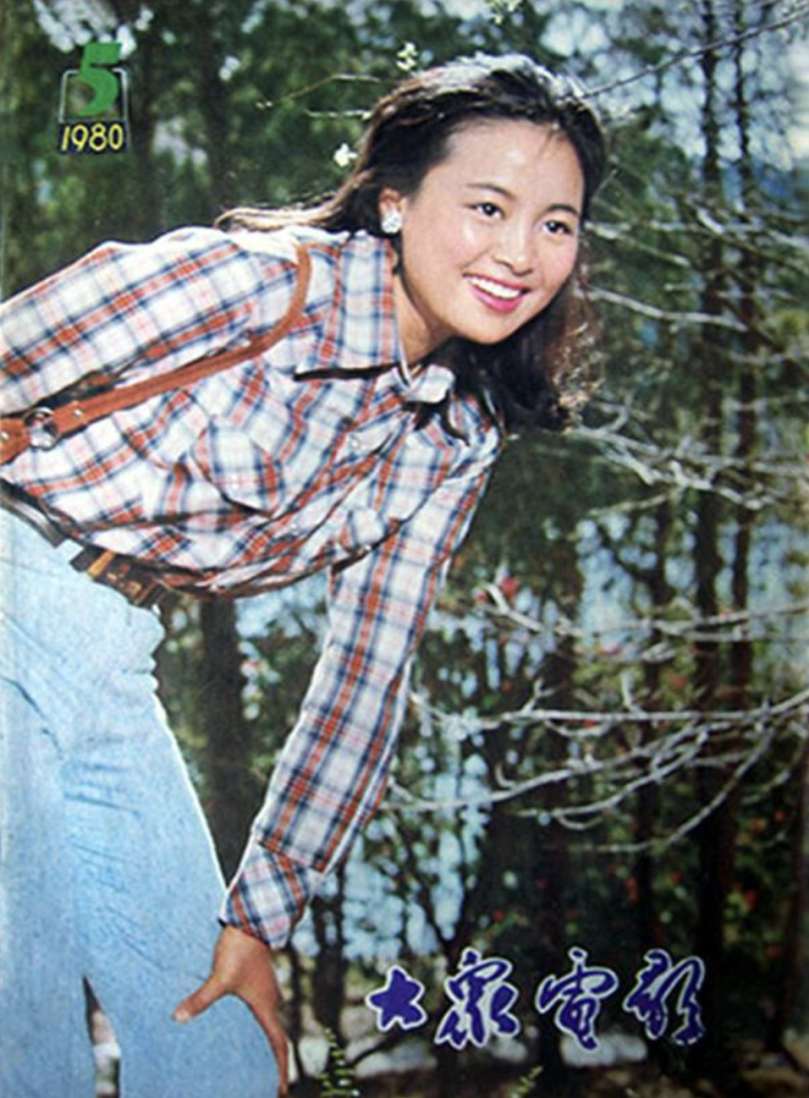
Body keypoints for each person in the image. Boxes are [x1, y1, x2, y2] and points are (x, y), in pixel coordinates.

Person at [0, 52, 606, 1097]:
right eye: (487, 207)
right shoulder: (253, 285)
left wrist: (259, 919)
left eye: (555, 223)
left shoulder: (454, 435)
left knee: (223, 1057)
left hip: (114, 659)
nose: (519, 254)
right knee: (29, 1041)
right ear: (394, 199)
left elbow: (364, 678)